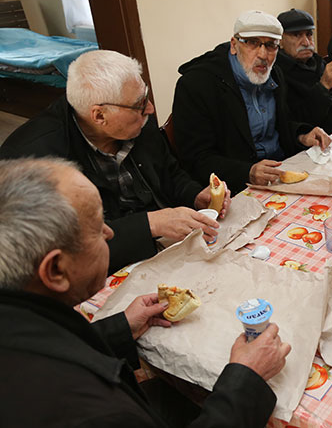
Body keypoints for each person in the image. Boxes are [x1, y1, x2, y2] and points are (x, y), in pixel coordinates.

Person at [0, 157, 291, 427]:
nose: (110, 233)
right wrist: (247, 378)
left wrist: (120, 328)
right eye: (97, 227)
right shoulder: (90, 408)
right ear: (56, 271)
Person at [0, 50, 231, 273]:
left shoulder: (138, 120)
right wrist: (149, 224)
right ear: (99, 115)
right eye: (140, 104)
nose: (150, 109)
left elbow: (170, 173)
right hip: (103, 269)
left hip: (165, 250)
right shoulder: (33, 161)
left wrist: (195, 196)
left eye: (146, 95)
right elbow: (62, 248)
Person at [172, 10, 331, 192]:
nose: (263, 55)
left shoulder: (275, 73)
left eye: (271, 45)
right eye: (253, 43)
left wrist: (301, 135)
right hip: (234, 188)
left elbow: (281, 124)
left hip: (280, 172)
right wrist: (247, 171)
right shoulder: (197, 84)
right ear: (234, 45)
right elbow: (196, 159)